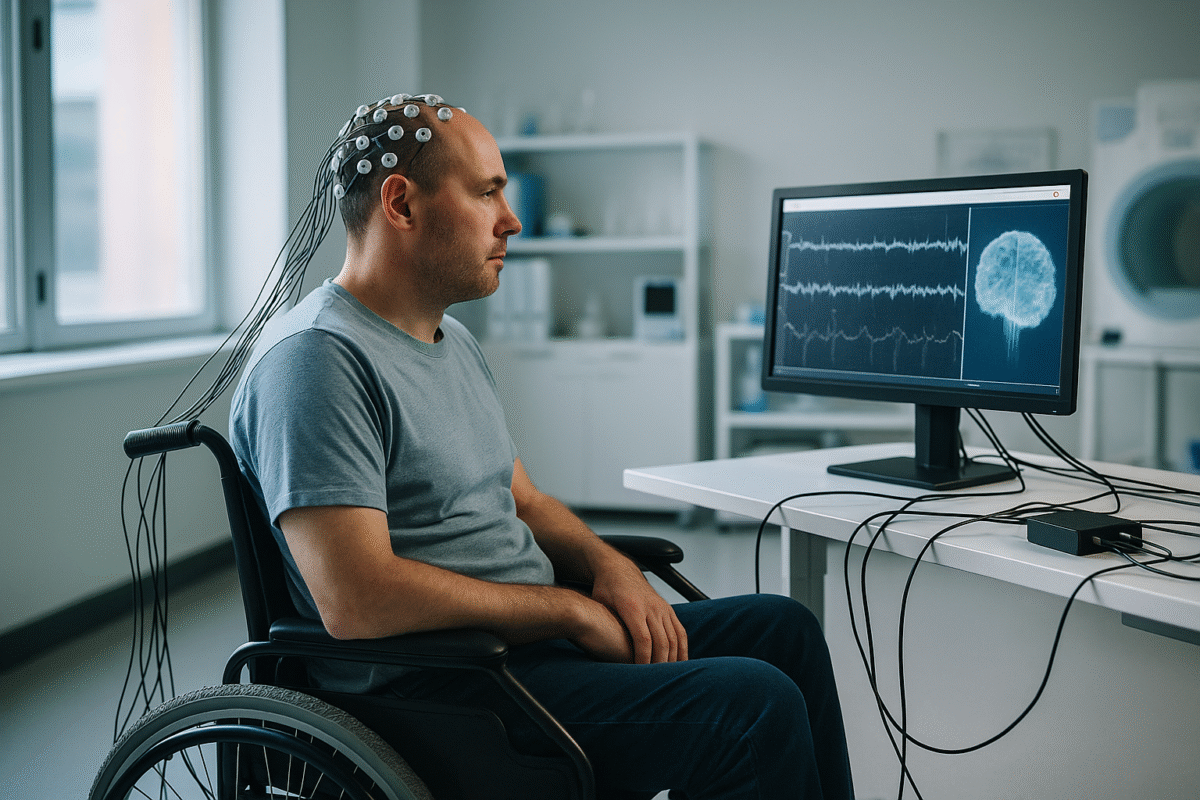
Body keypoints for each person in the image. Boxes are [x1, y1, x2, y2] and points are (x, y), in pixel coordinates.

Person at [229, 93, 854, 799]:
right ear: (401, 203)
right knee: (752, 706)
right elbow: (356, 599)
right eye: (489, 192)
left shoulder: (450, 339)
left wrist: (605, 567)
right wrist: (569, 610)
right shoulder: (317, 361)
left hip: (520, 650)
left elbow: (520, 498)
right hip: (442, 690)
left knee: (785, 629)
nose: (513, 220)